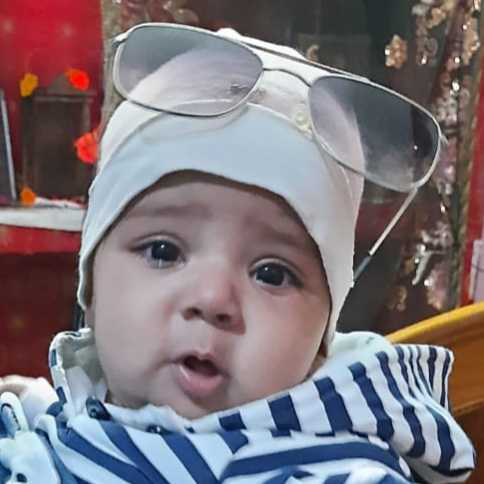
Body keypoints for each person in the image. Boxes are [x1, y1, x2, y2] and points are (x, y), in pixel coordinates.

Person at [0, 24, 475, 483]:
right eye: (163, 251)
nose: (212, 299)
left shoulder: (335, 471)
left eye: (272, 274)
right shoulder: (46, 434)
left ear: (321, 342)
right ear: (91, 288)